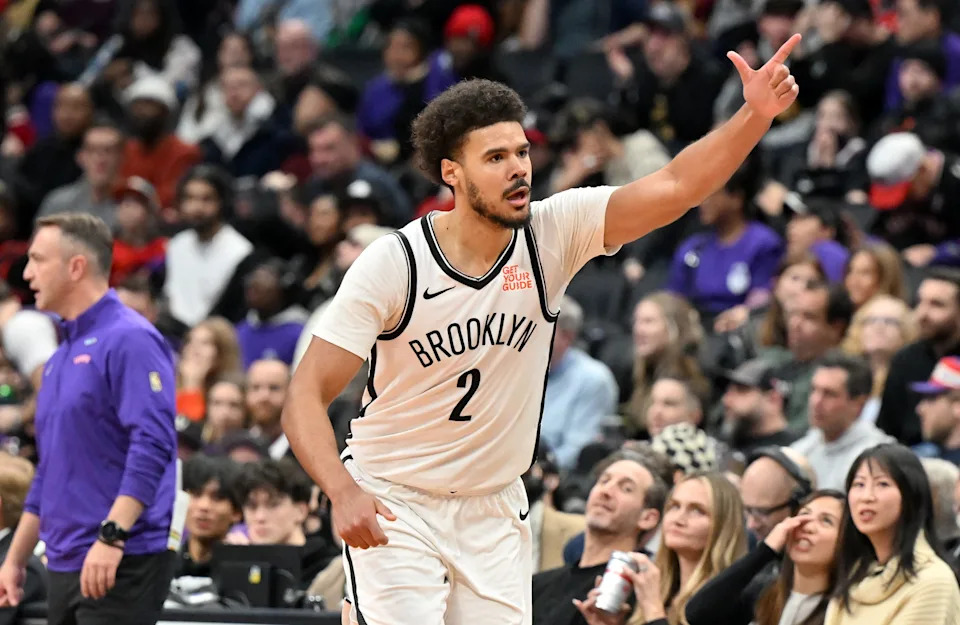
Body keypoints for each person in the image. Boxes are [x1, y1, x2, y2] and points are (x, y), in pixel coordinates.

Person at [284, 33, 804, 625]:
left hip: (495, 507)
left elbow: (678, 187)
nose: (518, 170)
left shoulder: (554, 232)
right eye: (496, 158)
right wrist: (341, 489)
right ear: (452, 172)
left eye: (522, 152)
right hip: (397, 498)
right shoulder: (394, 262)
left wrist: (754, 116)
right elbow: (305, 393)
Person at [0, 213, 178, 625]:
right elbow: (50, 467)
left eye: (37, 260)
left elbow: (153, 444)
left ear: (76, 267)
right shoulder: (61, 355)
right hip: (65, 557)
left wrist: (113, 535)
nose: (26, 274)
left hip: (122, 556)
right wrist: (16, 559)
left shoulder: (130, 338)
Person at [573, 472, 748, 625]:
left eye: (697, 511)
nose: (678, 519)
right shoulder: (657, 590)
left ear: (723, 526)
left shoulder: (729, 600)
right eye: (675, 506)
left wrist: (653, 611)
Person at [825, 444, 960, 625]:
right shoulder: (855, 576)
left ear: (911, 495)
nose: (867, 496)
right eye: (859, 484)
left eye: (882, 484)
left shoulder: (933, 581)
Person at [685, 490, 845, 625]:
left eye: (826, 521)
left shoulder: (843, 610)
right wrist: (766, 549)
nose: (807, 526)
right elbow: (697, 614)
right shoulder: (763, 593)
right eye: (804, 515)